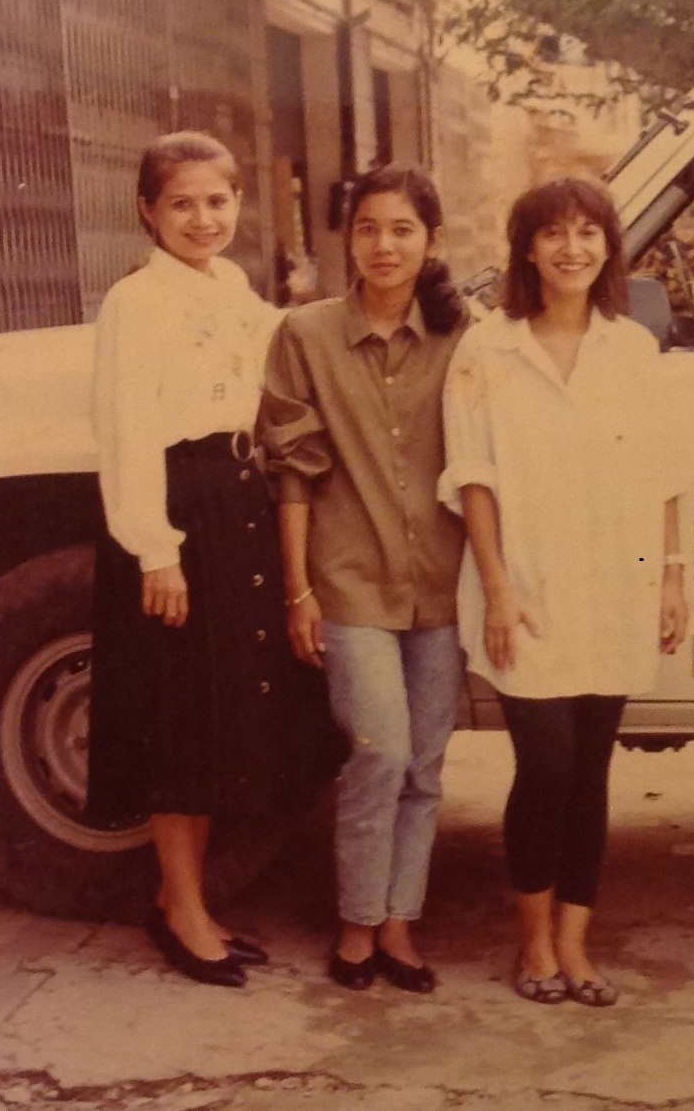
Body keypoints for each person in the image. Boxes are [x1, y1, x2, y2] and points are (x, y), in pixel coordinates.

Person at [86, 130, 340, 988]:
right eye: (183, 203)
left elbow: (292, 348)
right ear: (148, 211)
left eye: (219, 200)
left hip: (239, 497)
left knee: (213, 711)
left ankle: (184, 898)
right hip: (178, 511)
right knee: (177, 711)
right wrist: (155, 553)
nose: (204, 218)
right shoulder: (136, 301)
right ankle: (181, 906)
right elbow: (126, 435)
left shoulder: (233, 286)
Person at [440, 178, 689, 1008]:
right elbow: (472, 478)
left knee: (589, 774)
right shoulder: (488, 349)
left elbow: (662, 473)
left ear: (609, 248)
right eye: (553, 234)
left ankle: (575, 946)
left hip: (616, 583)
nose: (572, 249)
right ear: (526, 249)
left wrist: (672, 577)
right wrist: (500, 589)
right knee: (543, 765)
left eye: (588, 233)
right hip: (528, 588)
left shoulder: (633, 348)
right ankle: (532, 940)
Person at [258, 162, 470, 994]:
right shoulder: (305, 335)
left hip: (443, 586)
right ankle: (354, 921)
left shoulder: (466, 337)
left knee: (424, 762)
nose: (384, 245)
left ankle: (398, 924)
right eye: (370, 228)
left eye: (403, 229)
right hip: (348, 584)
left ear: (431, 240)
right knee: (379, 750)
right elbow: (293, 474)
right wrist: (297, 590)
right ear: (349, 237)